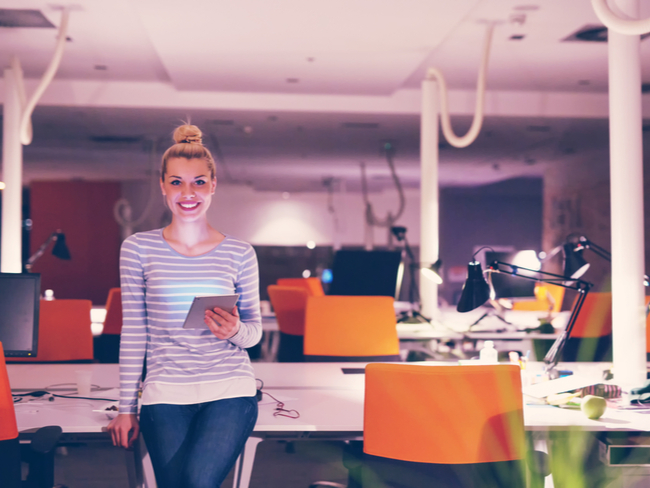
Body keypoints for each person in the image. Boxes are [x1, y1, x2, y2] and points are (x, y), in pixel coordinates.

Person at [107, 123, 262, 488]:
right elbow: (134, 331)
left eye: (198, 182)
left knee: (197, 482)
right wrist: (126, 407)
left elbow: (254, 334)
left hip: (229, 387)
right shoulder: (138, 249)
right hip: (165, 388)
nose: (187, 192)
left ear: (213, 185)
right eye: (176, 182)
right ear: (162, 186)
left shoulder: (239, 252)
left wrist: (235, 330)